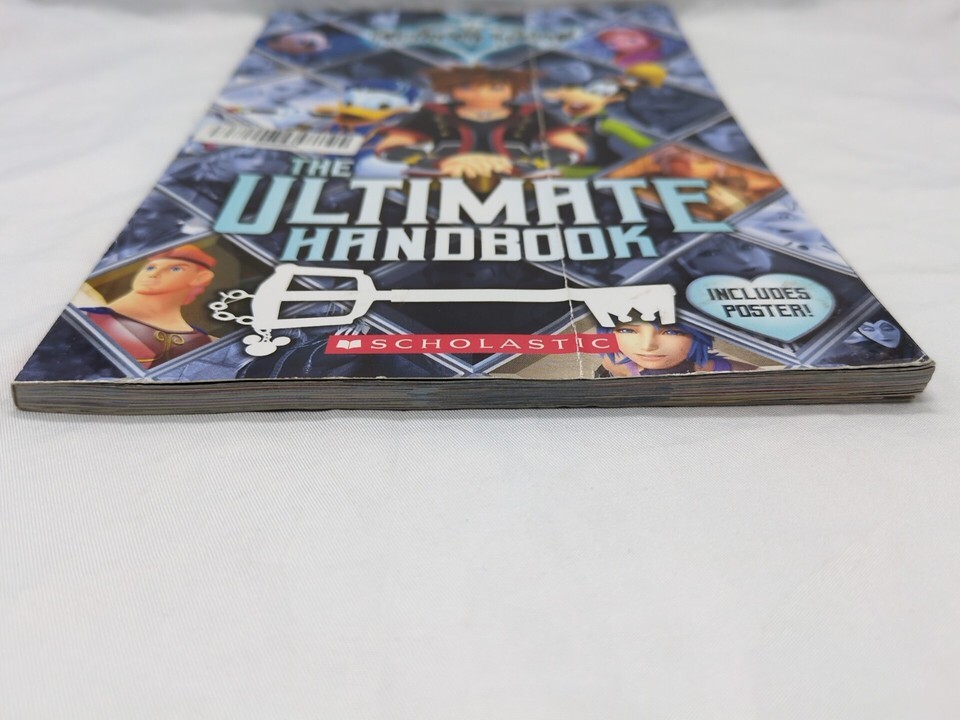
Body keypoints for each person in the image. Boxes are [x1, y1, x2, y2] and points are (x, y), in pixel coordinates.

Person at [375, 66, 586, 183]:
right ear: (451, 87)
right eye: (467, 86)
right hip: (441, 180)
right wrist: (439, 162)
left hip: (520, 180)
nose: (482, 93)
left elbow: (572, 148)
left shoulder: (532, 113)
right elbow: (389, 147)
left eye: (495, 86)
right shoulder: (433, 112)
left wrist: (521, 164)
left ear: (513, 88)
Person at [82, 245, 217, 369]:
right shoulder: (89, 317)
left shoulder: (206, 341)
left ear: (200, 278)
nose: (154, 274)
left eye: (175, 269)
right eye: (151, 267)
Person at [595, 318, 754, 376]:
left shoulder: (702, 366)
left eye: (671, 332)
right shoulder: (617, 365)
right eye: (627, 331)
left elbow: (755, 372)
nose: (647, 346)